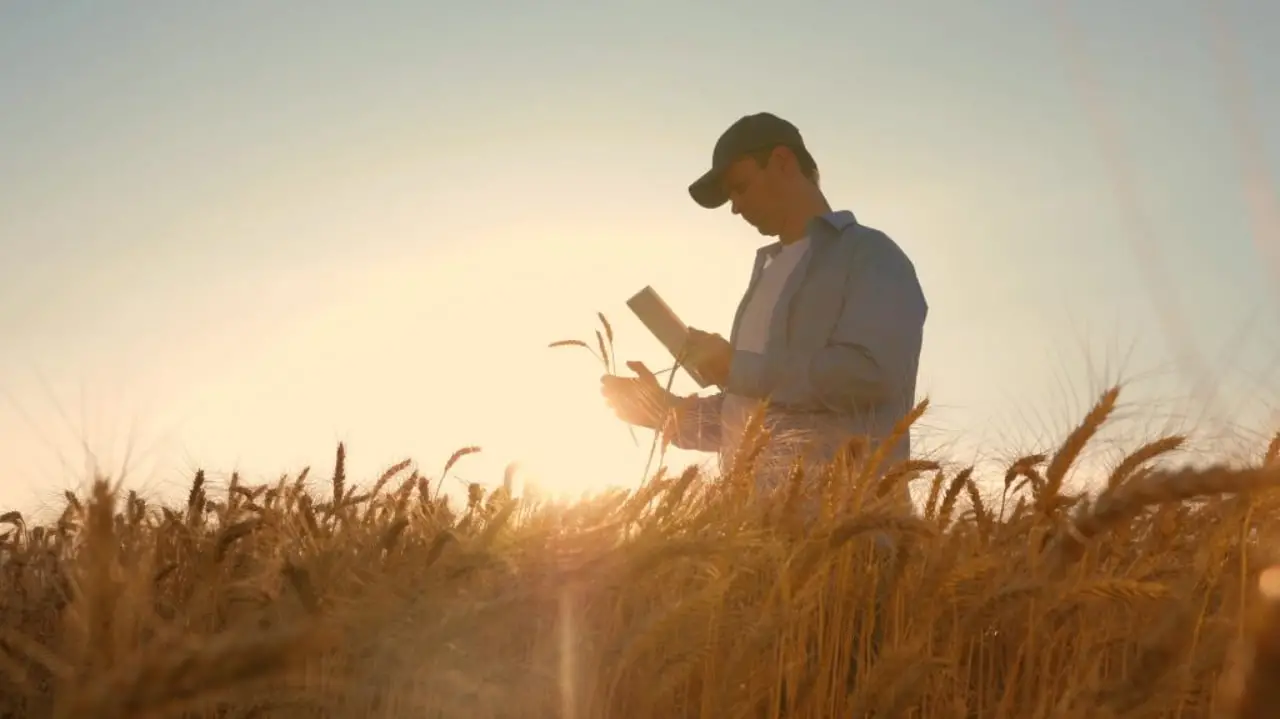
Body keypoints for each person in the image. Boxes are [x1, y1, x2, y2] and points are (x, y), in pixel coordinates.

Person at [601, 112, 928, 505]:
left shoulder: (870, 255)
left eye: (740, 188)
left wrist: (735, 368)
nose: (735, 208)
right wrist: (663, 412)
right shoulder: (765, 278)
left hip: (845, 539)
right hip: (756, 541)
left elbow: (870, 375)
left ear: (782, 162)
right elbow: (750, 414)